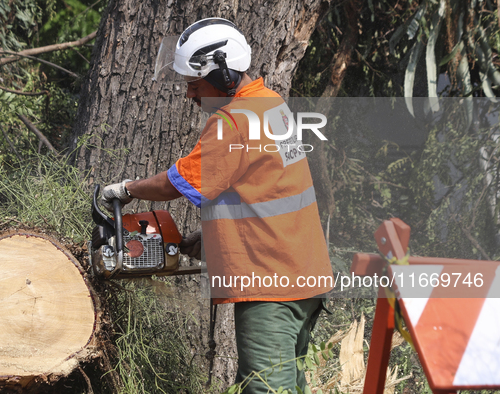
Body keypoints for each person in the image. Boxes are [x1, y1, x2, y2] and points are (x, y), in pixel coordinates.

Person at [101, 18, 334, 393]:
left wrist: (127, 189)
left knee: (265, 389)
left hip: (269, 286)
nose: (189, 95)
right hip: (303, 274)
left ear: (224, 75)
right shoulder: (271, 104)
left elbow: (178, 182)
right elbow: (268, 188)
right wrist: (212, 235)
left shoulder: (234, 120)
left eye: (194, 84)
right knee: (283, 385)